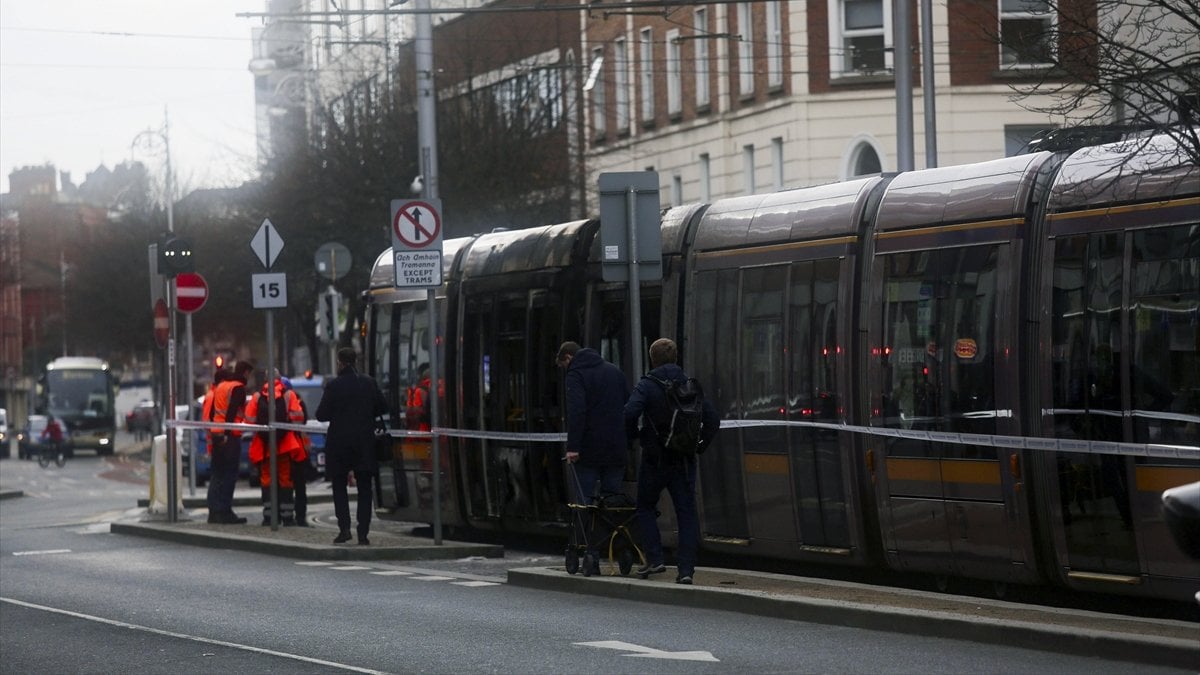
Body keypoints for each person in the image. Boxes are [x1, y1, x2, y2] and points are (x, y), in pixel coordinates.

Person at [624, 337, 719, 585]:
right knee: (686, 514)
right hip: (684, 461)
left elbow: (630, 412)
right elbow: (713, 420)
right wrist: (699, 446)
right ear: (676, 358)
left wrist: (634, 436)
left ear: (652, 359)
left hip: (655, 460)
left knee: (645, 507)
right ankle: (686, 571)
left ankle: (655, 559)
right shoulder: (690, 385)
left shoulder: (647, 385)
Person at [316, 347, 388, 545]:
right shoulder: (369, 383)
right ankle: (363, 532)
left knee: (339, 486)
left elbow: (321, 414)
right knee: (365, 488)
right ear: (355, 361)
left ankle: (344, 528)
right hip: (365, 442)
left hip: (339, 444)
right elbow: (383, 407)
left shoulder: (334, 386)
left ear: (340, 362)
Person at [558, 341, 630, 503]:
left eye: (564, 366)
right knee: (612, 500)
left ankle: (587, 528)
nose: (566, 370)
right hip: (616, 448)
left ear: (568, 357)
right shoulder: (614, 371)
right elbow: (628, 405)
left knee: (585, 501)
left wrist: (573, 448)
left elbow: (577, 412)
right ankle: (608, 528)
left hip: (588, 450)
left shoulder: (575, 375)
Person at [245, 374, 307, 526]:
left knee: (266, 480)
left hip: (265, 447)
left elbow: (249, 419)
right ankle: (287, 517)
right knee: (285, 480)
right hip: (285, 445)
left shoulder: (257, 396)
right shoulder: (289, 394)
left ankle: (269, 517)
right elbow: (299, 417)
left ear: (265, 380)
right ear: (280, 379)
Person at [206, 360, 254, 524]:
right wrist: (227, 433)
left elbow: (213, 412)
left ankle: (213, 511)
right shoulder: (238, 388)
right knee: (229, 474)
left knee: (217, 474)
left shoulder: (221, 386)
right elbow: (233, 410)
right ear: (246, 373)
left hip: (216, 433)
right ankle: (225, 511)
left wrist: (217, 432)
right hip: (230, 436)